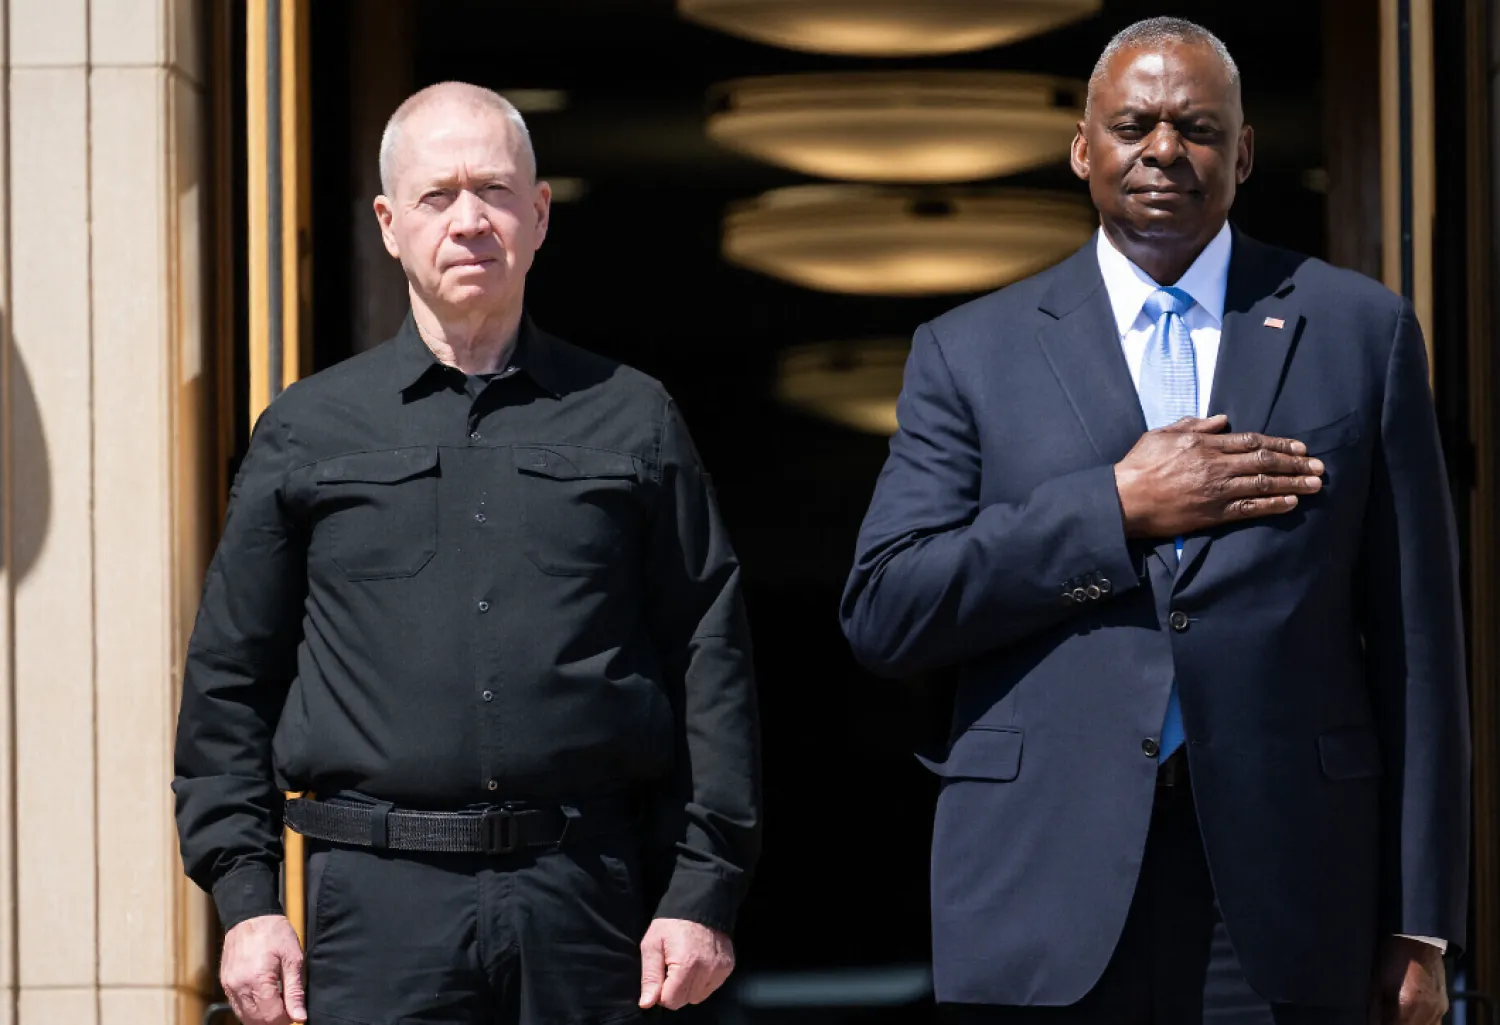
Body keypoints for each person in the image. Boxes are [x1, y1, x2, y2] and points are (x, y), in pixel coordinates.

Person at [841, 17, 1467, 1025]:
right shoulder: (971, 351)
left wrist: (1422, 920)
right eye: (1133, 126)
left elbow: (1418, 649)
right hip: (1045, 887)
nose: (1164, 150)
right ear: (1082, 148)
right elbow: (887, 606)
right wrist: (1115, 508)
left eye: (1197, 128)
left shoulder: (1359, 330)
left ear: (1243, 152)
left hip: (1289, 894)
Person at [173, 81, 761, 1025]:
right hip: (376, 907)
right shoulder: (307, 429)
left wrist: (703, 886)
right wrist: (246, 899)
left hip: (586, 898)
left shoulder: (633, 417)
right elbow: (230, 679)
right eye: (437, 196)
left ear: (540, 214)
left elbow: (709, 655)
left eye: (493, 191)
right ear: (389, 224)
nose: (469, 220)